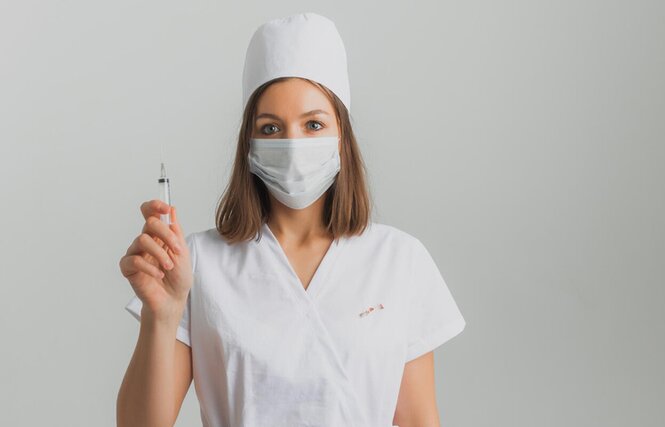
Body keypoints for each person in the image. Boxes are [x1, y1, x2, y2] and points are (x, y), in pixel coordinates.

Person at [116, 12, 466, 427]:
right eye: (270, 129)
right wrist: (162, 314)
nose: (293, 144)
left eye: (313, 124)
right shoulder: (196, 264)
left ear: (342, 137)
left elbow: (418, 420)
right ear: (248, 143)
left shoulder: (399, 260)